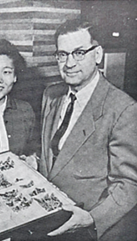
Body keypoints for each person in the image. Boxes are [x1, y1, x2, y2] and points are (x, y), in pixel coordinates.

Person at [38, 19, 137, 240]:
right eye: (62, 55)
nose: (69, 63)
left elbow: (129, 184)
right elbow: (56, 157)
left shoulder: (122, 108)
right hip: (48, 223)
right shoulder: (51, 95)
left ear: (98, 54)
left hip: (88, 230)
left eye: (79, 52)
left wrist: (92, 219)